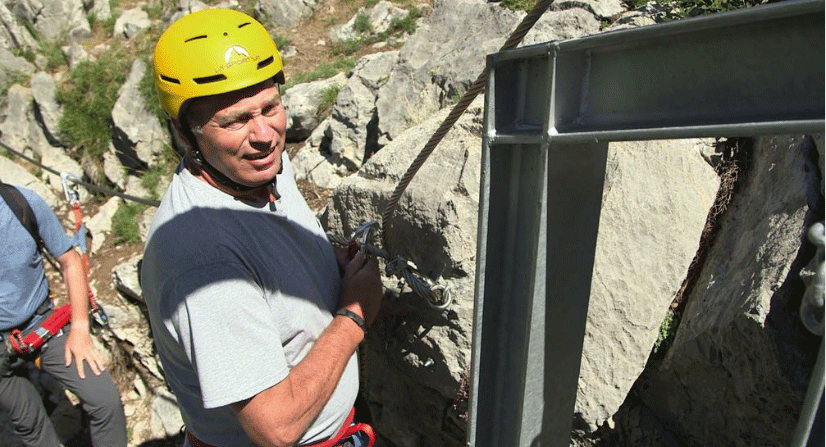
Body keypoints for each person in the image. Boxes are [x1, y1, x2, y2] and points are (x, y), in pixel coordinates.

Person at [141, 8, 384, 447]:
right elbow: (275, 428)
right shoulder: (203, 263)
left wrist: (318, 259)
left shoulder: (256, 169)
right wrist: (354, 313)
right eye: (234, 121)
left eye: (270, 107)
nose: (265, 135)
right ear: (184, 133)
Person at [0, 183, 127, 447]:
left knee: (105, 401)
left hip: (41, 325)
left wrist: (80, 327)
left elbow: (70, 261)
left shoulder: (21, 203)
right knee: (31, 427)